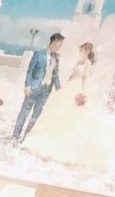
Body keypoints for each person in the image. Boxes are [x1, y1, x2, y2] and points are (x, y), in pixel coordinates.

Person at [22, 40, 115, 171]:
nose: (80, 53)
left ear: (87, 51)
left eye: (81, 51)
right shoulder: (79, 62)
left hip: (78, 90)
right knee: (57, 115)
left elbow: (85, 79)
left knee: (72, 119)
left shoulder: (87, 64)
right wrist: (65, 86)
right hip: (70, 88)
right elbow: (72, 76)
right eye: (79, 51)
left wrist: (82, 93)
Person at [11, 32, 64, 145]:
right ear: (54, 42)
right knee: (24, 113)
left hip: (46, 90)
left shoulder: (56, 58)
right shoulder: (39, 53)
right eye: (60, 44)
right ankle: (15, 136)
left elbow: (55, 74)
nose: (60, 46)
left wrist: (58, 88)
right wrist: (27, 85)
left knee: (36, 115)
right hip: (34, 87)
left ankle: (25, 138)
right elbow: (30, 70)